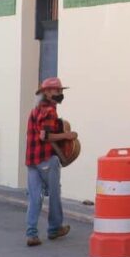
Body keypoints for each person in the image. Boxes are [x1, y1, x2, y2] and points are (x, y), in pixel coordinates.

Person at [24, 76, 76, 246]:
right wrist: (67, 135)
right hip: (46, 159)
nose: (60, 93)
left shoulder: (35, 109)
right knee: (54, 193)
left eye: (60, 90)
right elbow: (45, 136)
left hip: (32, 161)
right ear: (47, 92)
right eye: (57, 90)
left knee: (35, 197)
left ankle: (31, 233)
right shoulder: (50, 111)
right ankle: (54, 228)